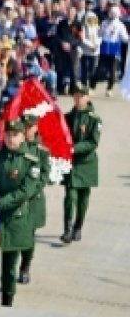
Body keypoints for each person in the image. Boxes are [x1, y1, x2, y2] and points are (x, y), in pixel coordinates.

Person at [0, 118, 40, 307]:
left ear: (22, 137)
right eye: (8, 135)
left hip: (15, 217)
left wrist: (0, 203)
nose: (11, 139)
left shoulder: (31, 162)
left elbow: (25, 192)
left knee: (10, 264)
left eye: (15, 135)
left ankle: (7, 300)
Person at [61, 84, 101, 243]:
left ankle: (78, 226)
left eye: (81, 96)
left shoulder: (94, 119)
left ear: (87, 97)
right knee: (70, 196)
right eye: (76, 95)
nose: (78, 99)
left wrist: (74, 148)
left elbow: (93, 142)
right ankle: (67, 229)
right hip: (71, 164)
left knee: (83, 199)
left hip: (86, 163)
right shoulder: (67, 117)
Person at [18, 117, 50, 284]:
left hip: (33, 200)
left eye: (29, 127)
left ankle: (25, 267)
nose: (26, 130)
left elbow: (44, 176)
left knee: (29, 237)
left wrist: (29, 191)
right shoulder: (15, 145)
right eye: (24, 126)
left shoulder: (42, 151)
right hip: (16, 198)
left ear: (36, 128)